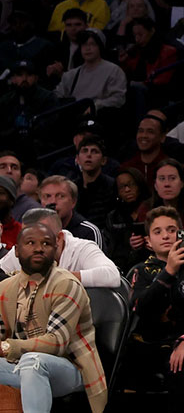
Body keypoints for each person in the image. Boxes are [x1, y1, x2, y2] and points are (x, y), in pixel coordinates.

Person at [0, 218, 107, 413]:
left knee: (33, 362)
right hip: (19, 361)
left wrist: (10, 346)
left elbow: (57, 343)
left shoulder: (66, 284)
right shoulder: (5, 288)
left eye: (46, 244)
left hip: (71, 366)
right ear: (16, 251)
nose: (39, 248)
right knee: (27, 362)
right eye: (31, 243)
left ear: (56, 250)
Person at [125, 206, 184, 410]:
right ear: (149, 241)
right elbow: (139, 308)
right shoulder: (140, 271)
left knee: (183, 365)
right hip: (147, 344)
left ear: (181, 233)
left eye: (171, 230)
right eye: (157, 232)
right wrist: (168, 272)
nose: (165, 236)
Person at [0, 208, 121, 287]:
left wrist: (57, 278)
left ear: (59, 238)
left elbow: (111, 275)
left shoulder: (82, 248)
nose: (35, 248)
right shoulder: (21, 251)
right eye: (29, 241)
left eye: (44, 239)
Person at [39, 175, 103, 247]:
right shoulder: (35, 229)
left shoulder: (89, 232)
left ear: (73, 202)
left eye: (60, 196)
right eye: (47, 196)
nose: (52, 202)